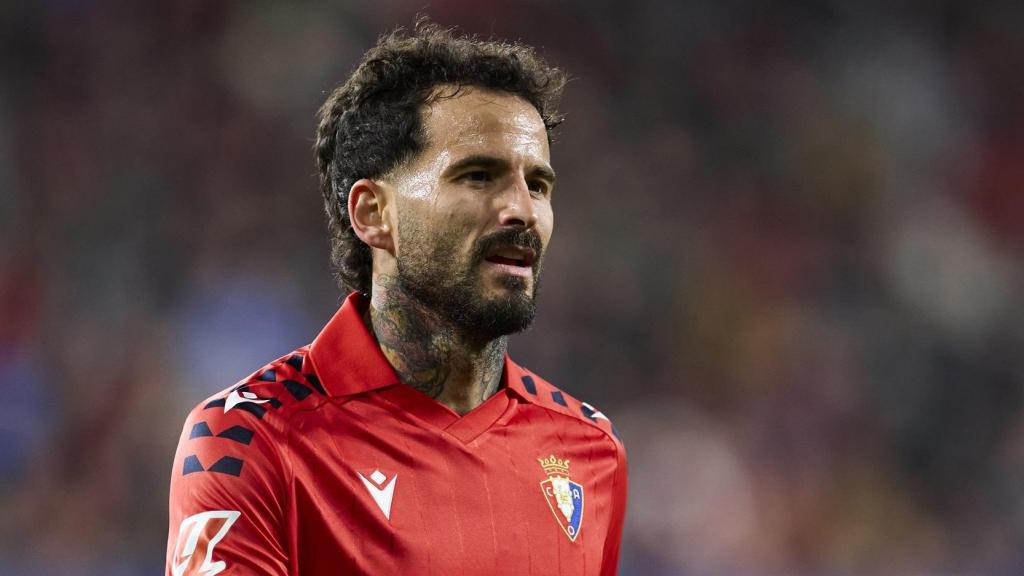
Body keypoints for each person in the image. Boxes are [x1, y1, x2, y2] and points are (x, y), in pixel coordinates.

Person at [166, 22, 626, 576]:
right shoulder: (251, 440)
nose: (523, 211)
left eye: (539, 185)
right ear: (372, 214)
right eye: (478, 176)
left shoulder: (588, 449)